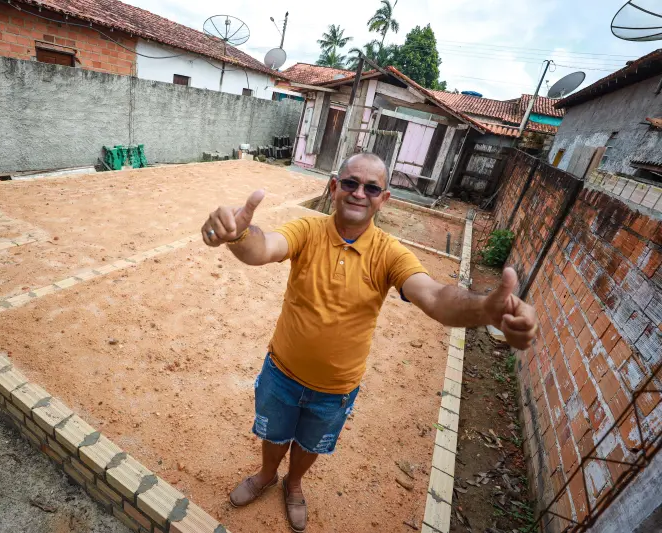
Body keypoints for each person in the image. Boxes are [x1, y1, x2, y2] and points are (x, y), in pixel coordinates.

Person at [201, 153, 537, 532]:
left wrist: (484, 309)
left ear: (384, 198)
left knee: (310, 446)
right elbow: (263, 248)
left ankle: (293, 484)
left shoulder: (389, 253)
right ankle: (265, 475)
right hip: (281, 371)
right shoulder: (308, 231)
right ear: (334, 187)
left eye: (371, 187)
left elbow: (436, 297)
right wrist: (238, 235)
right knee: (274, 434)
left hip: (336, 389)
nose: (359, 193)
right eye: (350, 183)